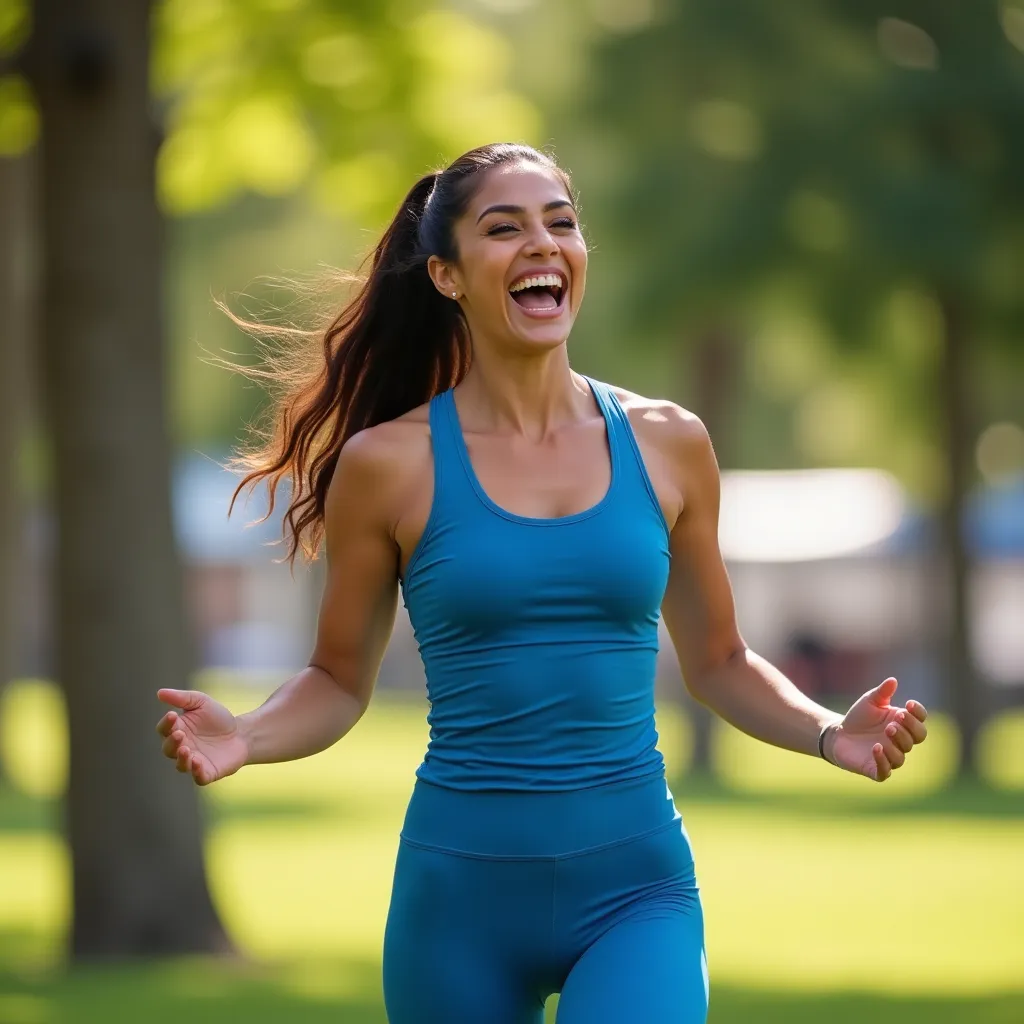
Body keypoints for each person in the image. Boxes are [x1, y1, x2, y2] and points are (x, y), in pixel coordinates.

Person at [154, 142, 929, 1023]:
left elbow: (719, 661)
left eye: (561, 223)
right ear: (446, 275)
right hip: (460, 904)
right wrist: (247, 736)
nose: (542, 244)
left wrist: (829, 732)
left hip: (636, 892)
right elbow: (337, 680)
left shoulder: (669, 442)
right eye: (504, 228)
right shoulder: (388, 465)